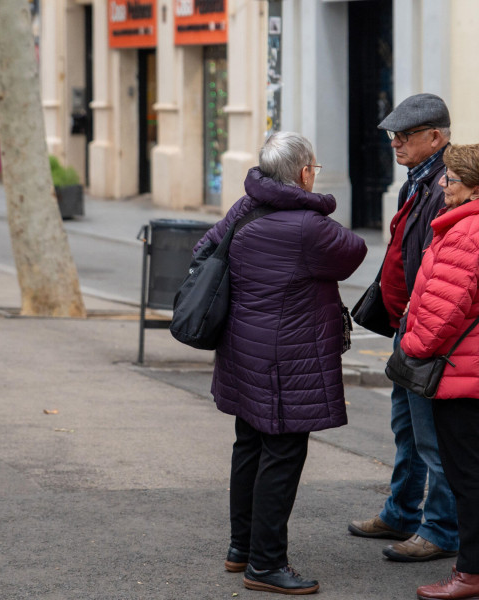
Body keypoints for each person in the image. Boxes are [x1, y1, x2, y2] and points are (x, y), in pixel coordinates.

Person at [194, 132, 366, 594]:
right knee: (283, 453)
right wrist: (316, 205)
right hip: (287, 357)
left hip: (243, 350)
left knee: (249, 444)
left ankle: (242, 549)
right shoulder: (308, 228)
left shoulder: (244, 208)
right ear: (305, 173)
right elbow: (354, 252)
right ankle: (266, 565)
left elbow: (203, 250)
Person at [348, 93, 459, 563]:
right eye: (393, 135)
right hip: (409, 327)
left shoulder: (446, 186)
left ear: (435, 137)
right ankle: (401, 511)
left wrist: (420, 324)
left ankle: (440, 529)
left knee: (432, 437)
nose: (395, 142)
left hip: (429, 331)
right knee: (406, 428)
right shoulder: (416, 181)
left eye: (406, 135)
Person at [400, 144, 479, 600]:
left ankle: (470, 573)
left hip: (461, 374)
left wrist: (411, 349)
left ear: (471, 185)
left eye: (450, 178)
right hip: (468, 367)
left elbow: (442, 311)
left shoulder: (466, 230)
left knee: (466, 474)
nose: (443, 185)